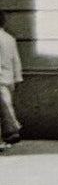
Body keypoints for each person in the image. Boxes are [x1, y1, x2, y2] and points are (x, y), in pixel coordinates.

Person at [0, 11, 22, 149]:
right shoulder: (9, 38)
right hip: (8, 80)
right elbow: (16, 61)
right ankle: (8, 134)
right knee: (6, 108)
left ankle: (11, 130)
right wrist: (17, 78)